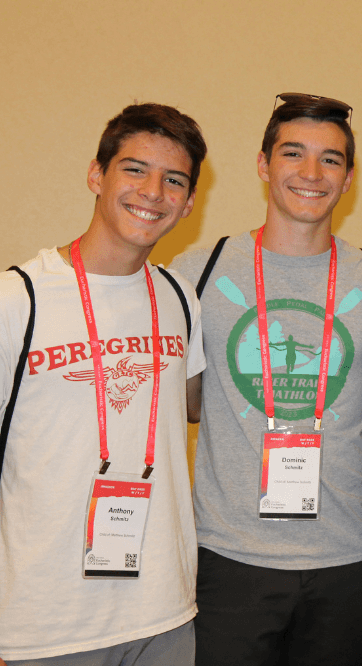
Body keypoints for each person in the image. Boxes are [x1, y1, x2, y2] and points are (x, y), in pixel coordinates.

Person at [170, 93, 362, 666]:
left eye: (330, 159)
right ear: (263, 165)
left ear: (349, 177)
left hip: (346, 559)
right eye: (293, 154)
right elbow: (182, 403)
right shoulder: (198, 271)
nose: (311, 174)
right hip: (228, 560)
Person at [0, 104, 207, 664]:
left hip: (165, 614)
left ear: (189, 203)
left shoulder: (179, 298)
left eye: (174, 180)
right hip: (46, 626)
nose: (153, 191)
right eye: (135, 169)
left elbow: (196, 411)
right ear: (97, 175)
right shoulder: (17, 300)